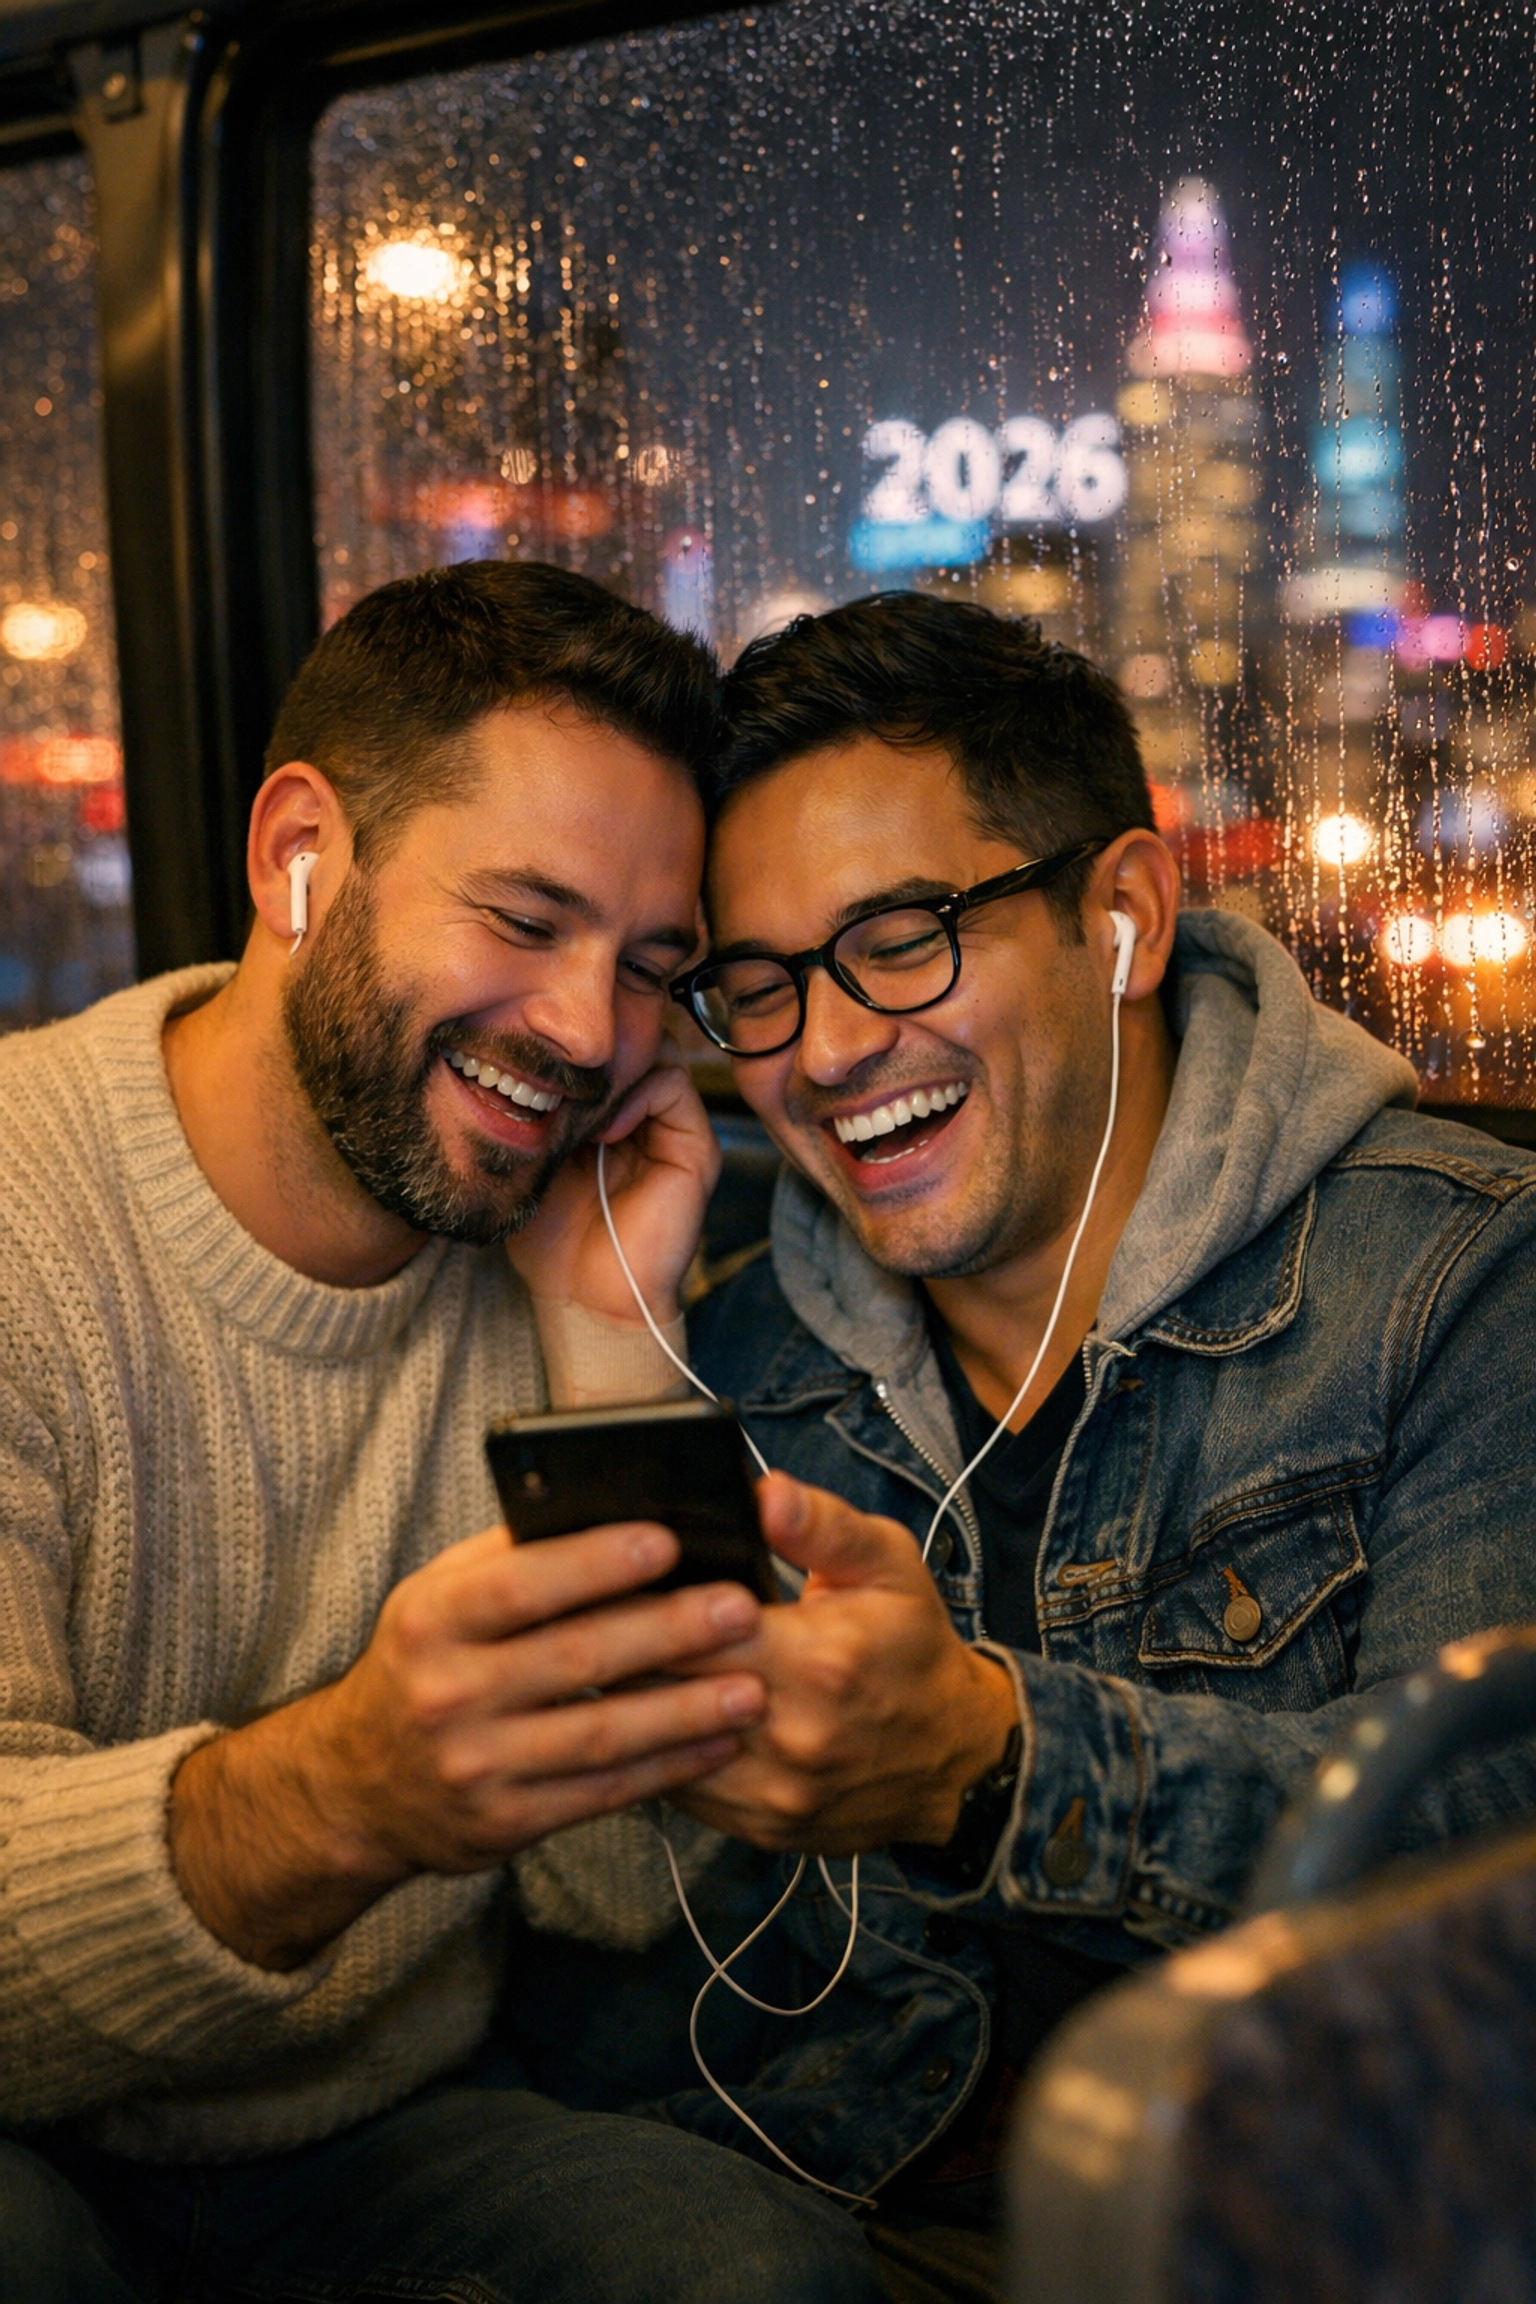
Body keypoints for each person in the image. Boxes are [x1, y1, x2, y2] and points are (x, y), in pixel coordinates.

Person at [501, 591, 1536, 2293]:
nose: (830, 1052)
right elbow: (619, 1984)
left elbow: (1485, 1882)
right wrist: (610, 1351)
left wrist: (991, 1766)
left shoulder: (1457, 1286)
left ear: (1122, 915)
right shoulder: (743, 1374)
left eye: (903, 938)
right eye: (757, 989)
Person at [0, 560, 884, 2304]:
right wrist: (345, 1792)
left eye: (651, 969)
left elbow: (632, 1902)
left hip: (390, 2127)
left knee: (758, 2279)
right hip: (33, 2139)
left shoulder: (545, 1234)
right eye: (524, 918)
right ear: (296, 859)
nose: (585, 1033)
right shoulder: (27, 1219)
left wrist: (606, 1340)